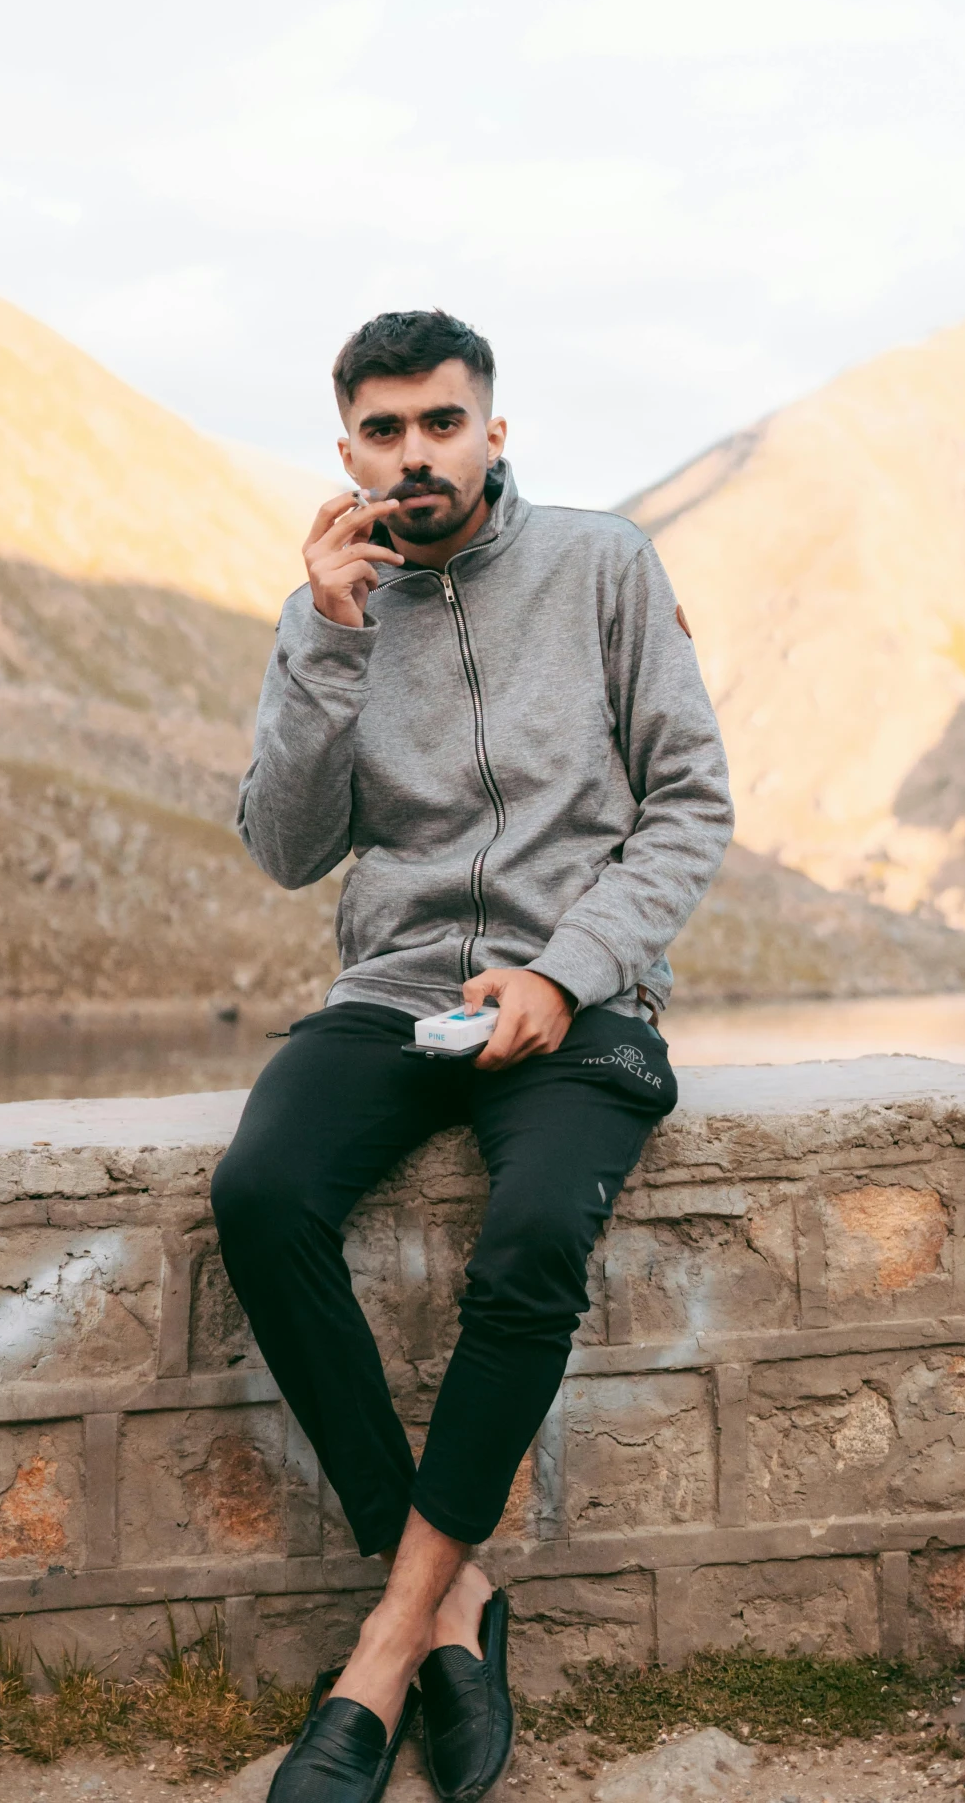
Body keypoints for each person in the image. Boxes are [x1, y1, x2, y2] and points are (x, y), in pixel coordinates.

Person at [210, 310, 733, 1803]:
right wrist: (322, 639)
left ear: (492, 431)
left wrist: (567, 975)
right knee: (260, 1193)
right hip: (393, 991)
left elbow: (689, 804)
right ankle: (453, 1599)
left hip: (581, 998)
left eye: (442, 422)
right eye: (383, 430)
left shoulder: (602, 566)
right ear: (347, 453)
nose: (414, 452)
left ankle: (383, 1647)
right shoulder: (329, 607)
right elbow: (285, 849)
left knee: (525, 1249)